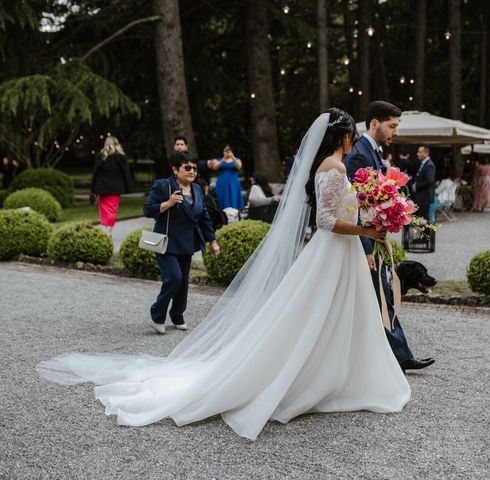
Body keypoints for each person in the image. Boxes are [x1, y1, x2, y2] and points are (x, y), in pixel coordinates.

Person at [37, 108, 410, 441]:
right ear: (344, 137)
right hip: (333, 253)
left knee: (335, 315)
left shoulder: (330, 168)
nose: (353, 140)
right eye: (351, 135)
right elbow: (326, 221)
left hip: (341, 255)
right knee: (313, 316)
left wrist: (371, 222)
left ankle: (337, 376)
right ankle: (315, 378)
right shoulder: (335, 167)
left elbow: (336, 213)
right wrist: (366, 230)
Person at [344, 100, 435, 372]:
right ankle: (399, 355)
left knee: (376, 296)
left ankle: (392, 355)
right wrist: (366, 247)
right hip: (364, 241)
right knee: (380, 294)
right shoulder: (359, 154)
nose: (395, 131)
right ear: (375, 124)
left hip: (375, 237)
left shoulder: (373, 152)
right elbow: (354, 206)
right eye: (392, 125)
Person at [144, 151, 219, 334]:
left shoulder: (198, 189)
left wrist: (212, 241)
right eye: (187, 167)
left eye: (194, 167)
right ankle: (157, 315)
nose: (192, 170)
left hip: (187, 243)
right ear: (175, 170)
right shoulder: (163, 186)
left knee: (183, 282)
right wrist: (168, 203)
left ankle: (177, 315)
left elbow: (204, 217)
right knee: (174, 278)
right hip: (166, 242)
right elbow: (148, 210)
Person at [90, 136, 134, 236]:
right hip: (115, 188)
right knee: (112, 209)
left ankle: (105, 229)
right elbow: (126, 174)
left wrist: (93, 188)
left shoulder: (100, 156)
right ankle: (108, 231)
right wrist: (128, 187)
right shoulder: (121, 158)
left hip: (101, 188)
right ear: (117, 144)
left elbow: (95, 173)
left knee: (104, 210)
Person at [212, 145, 244, 210]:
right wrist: (223, 158)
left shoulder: (237, 159)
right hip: (222, 182)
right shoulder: (218, 160)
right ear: (223, 151)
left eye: (229, 150)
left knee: (234, 196)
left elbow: (239, 166)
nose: (227, 152)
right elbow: (215, 167)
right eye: (225, 150)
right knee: (223, 197)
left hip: (233, 182)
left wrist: (232, 157)